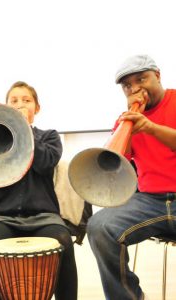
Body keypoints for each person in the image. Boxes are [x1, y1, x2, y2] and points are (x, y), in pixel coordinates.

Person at [0, 81, 78, 300]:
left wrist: (24, 132)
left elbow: (45, 163)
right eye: (14, 101)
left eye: (26, 100)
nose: (20, 104)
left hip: (43, 215)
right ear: (5, 107)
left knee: (63, 239)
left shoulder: (49, 136)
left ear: (36, 108)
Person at [87, 54, 176, 300]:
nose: (135, 88)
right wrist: (125, 127)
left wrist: (149, 127)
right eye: (128, 85)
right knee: (100, 227)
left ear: (157, 76)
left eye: (142, 79)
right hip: (149, 201)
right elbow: (113, 164)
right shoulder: (126, 120)